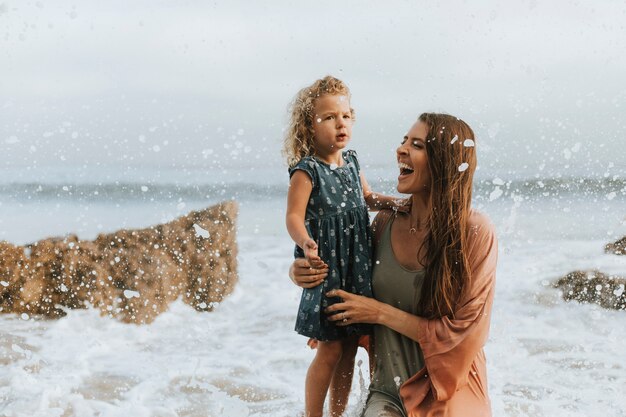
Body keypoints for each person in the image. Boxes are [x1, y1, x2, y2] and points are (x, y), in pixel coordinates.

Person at [290, 113, 498, 417]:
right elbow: (342, 271)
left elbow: (465, 335)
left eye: (417, 145)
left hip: (450, 393)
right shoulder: (384, 224)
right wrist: (300, 272)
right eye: (403, 141)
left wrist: (378, 312)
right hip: (387, 393)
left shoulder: (475, 232)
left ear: (444, 161)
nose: (401, 150)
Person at [283, 76, 397, 417]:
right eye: (329, 117)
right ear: (310, 125)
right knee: (330, 351)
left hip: (356, 268)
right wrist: (305, 241)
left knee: (350, 349)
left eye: (345, 116)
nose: (340, 123)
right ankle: (312, 414)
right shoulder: (307, 171)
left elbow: (367, 198)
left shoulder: (353, 162)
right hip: (329, 269)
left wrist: (394, 203)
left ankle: (338, 413)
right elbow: (292, 216)